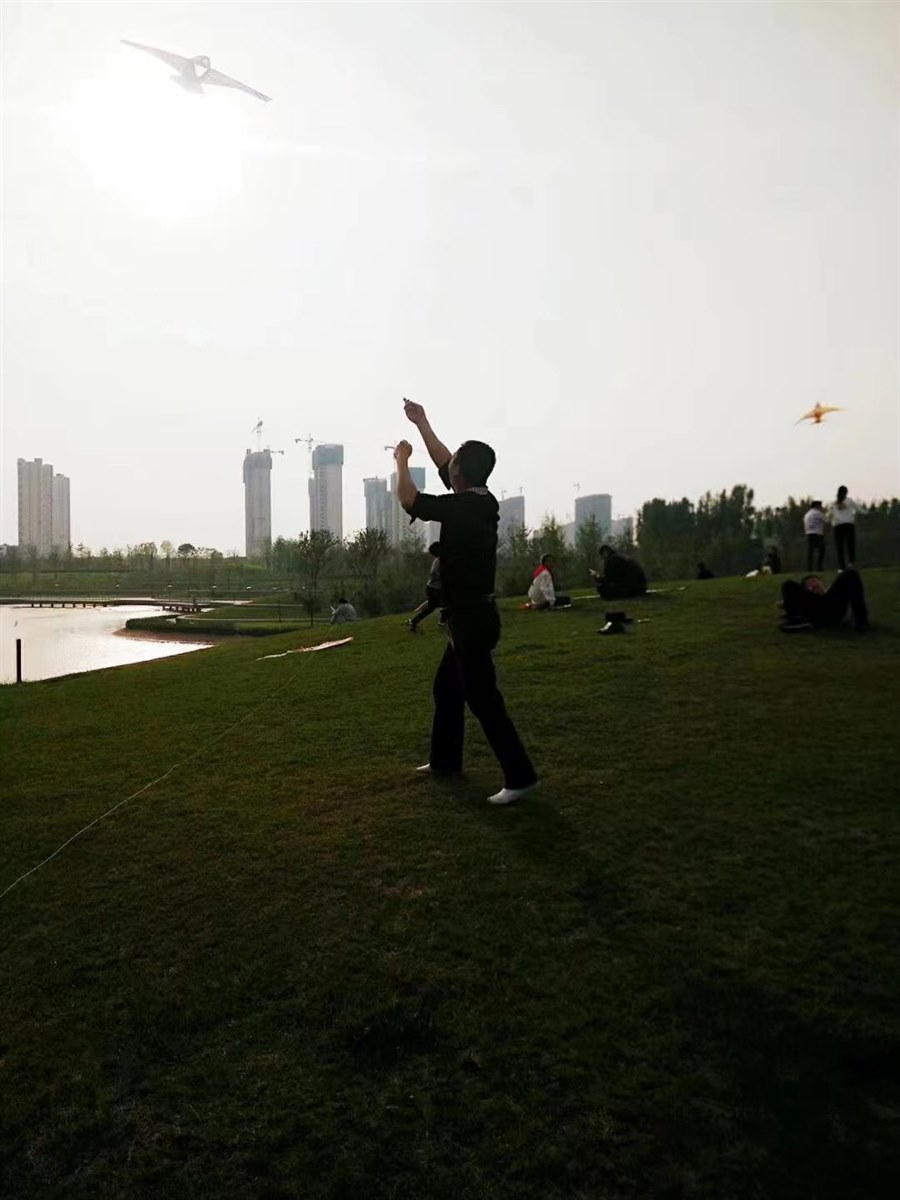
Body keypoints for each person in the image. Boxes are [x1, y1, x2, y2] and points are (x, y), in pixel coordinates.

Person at [394, 399, 538, 805]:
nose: (448, 462)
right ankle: (445, 762)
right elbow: (444, 460)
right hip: (470, 617)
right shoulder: (478, 499)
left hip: (472, 620)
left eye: (453, 460)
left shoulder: (465, 507)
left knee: (483, 699)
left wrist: (401, 460)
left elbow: (409, 499)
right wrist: (422, 422)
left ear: (459, 472)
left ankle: (521, 776)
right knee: (447, 689)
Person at [780, 569, 869, 632]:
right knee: (788, 585)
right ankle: (796, 619)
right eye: (808, 585)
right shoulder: (808, 598)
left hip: (829, 607)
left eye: (813, 581)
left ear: (822, 583)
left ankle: (861, 622)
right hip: (813, 611)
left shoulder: (832, 593)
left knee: (851, 573)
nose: (812, 585)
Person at [408, 542, 443, 631]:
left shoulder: (438, 561)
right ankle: (414, 621)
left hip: (433, 588)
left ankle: (414, 621)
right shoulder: (439, 561)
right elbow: (435, 574)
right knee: (433, 607)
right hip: (434, 589)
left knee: (434, 606)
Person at [829, 485, 858, 570]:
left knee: (839, 547)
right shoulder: (849, 501)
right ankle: (851, 563)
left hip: (837, 526)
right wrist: (867, 513)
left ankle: (841, 567)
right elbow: (858, 509)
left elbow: (830, 515)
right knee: (850, 545)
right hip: (848, 524)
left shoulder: (833, 503)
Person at [803, 500, 826, 571]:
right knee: (822, 550)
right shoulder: (818, 513)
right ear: (817, 506)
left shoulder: (807, 514)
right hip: (817, 533)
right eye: (820, 506)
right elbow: (826, 520)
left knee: (810, 551)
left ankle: (809, 567)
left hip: (809, 534)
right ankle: (819, 566)